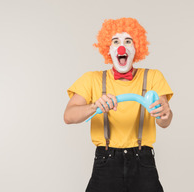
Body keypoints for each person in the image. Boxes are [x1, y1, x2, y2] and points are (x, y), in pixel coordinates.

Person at [64, 17, 174, 192]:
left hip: (143, 161)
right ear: (108, 49)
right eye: (115, 41)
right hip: (105, 160)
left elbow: (164, 122)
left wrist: (164, 113)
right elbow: (69, 116)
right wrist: (94, 106)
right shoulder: (92, 79)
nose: (121, 46)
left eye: (128, 41)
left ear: (136, 47)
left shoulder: (153, 77)